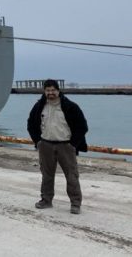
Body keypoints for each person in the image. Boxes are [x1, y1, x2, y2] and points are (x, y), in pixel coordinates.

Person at [27, 79, 88, 214]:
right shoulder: (39, 106)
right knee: (47, 175)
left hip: (65, 146)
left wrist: (73, 144)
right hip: (46, 145)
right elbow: (31, 124)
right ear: (44, 91)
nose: (51, 93)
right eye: (48, 90)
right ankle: (46, 200)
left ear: (58, 91)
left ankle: (75, 204)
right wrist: (38, 141)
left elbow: (82, 126)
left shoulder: (70, 106)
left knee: (71, 176)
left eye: (53, 90)